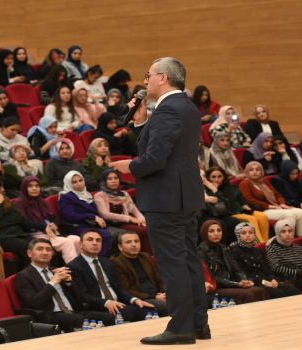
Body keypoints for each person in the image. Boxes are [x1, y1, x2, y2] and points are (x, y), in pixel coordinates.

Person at [110, 57, 209, 345]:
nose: (145, 81)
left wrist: (131, 166)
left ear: (163, 77)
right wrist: (141, 122)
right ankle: (198, 325)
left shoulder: (168, 111)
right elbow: (164, 146)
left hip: (165, 198)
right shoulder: (186, 107)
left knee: (173, 263)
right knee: (189, 260)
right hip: (184, 195)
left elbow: (155, 159)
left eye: (148, 75)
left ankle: (180, 328)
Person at [15, 238, 114, 332]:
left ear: (52, 254)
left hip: (73, 312)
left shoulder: (57, 271)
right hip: (50, 315)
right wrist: (52, 283)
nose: (45, 252)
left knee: (109, 317)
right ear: (29, 253)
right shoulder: (23, 276)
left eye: (48, 250)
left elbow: (79, 299)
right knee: (79, 320)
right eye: (40, 249)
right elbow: (33, 303)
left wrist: (69, 282)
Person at [68, 231, 150, 323]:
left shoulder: (107, 262)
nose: (95, 243)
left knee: (148, 310)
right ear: (81, 244)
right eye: (90, 240)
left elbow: (118, 288)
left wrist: (134, 299)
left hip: (117, 304)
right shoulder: (73, 266)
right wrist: (106, 302)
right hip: (96, 307)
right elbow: (82, 295)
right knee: (125, 315)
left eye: (98, 240)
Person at [197, 220, 269, 304]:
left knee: (261, 290)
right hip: (217, 287)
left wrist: (244, 280)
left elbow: (236, 269)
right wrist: (236, 284)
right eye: (211, 231)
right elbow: (214, 278)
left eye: (219, 230)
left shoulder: (224, 248)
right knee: (249, 294)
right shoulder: (201, 252)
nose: (216, 234)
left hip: (231, 284)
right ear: (204, 233)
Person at [229, 222, 302, 298]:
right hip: (252, 282)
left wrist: (273, 279)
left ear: (254, 235)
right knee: (278, 294)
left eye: (250, 232)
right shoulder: (235, 251)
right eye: (244, 233)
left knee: (293, 291)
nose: (248, 235)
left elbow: (267, 270)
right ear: (238, 235)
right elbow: (242, 274)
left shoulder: (258, 250)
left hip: (266, 280)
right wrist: (263, 282)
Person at [239, 161, 302, 236]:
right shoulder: (245, 184)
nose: (254, 172)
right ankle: (287, 239)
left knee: (301, 212)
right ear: (247, 172)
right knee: (290, 214)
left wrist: (282, 203)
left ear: (261, 171)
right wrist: (269, 206)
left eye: (257, 170)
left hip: (275, 207)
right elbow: (250, 200)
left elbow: (277, 194)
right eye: (251, 170)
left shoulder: (264, 181)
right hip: (262, 210)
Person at [205, 166, 270, 242]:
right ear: (208, 178)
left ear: (224, 177)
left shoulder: (230, 187)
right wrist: (215, 190)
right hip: (230, 213)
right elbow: (224, 206)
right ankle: (258, 244)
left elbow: (240, 197)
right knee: (251, 219)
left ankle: (266, 242)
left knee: (262, 216)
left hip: (242, 210)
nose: (217, 179)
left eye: (219, 176)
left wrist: (244, 205)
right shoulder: (208, 191)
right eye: (213, 177)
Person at [111, 232, 168, 316]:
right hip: (140, 298)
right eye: (128, 242)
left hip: (158, 295)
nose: (134, 244)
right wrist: (153, 297)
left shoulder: (145, 257)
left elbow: (159, 279)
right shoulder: (116, 262)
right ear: (120, 247)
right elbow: (126, 288)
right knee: (167, 306)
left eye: (136, 241)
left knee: (185, 300)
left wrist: (165, 292)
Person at [58, 171, 112, 254]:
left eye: (80, 180)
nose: (79, 184)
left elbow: (95, 210)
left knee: (116, 233)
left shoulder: (86, 194)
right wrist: (93, 217)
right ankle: (100, 260)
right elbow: (71, 216)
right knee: (105, 235)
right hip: (77, 226)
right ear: (68, 183)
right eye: (74, 182)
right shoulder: (65, 197)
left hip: (92, 224)